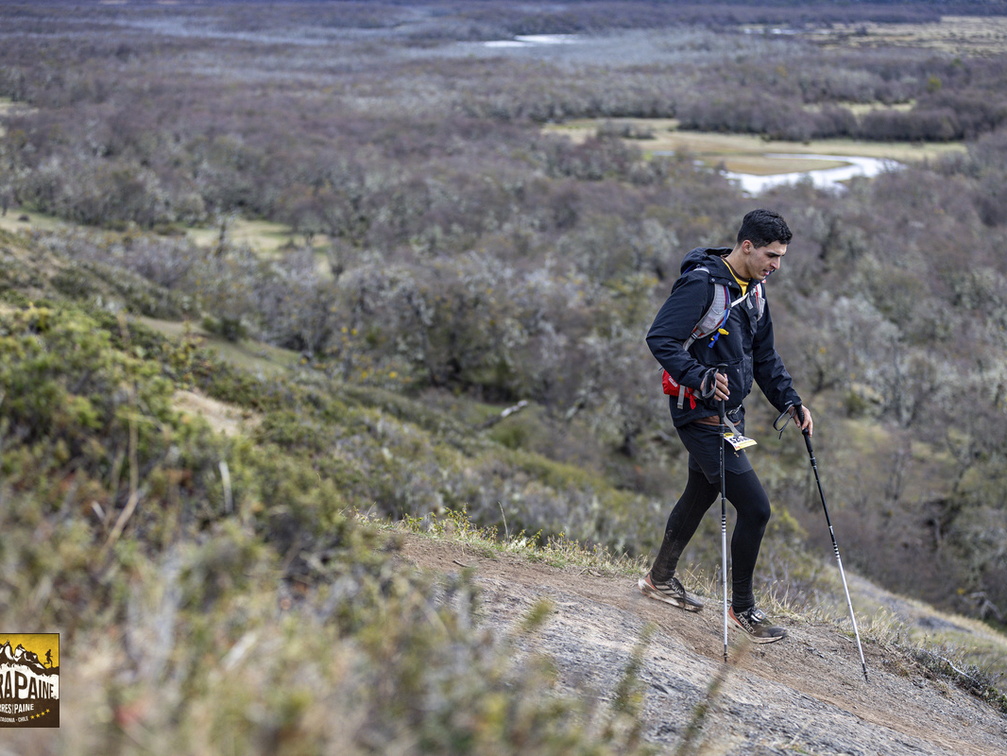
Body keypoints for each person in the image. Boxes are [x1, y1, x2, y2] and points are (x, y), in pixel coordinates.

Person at [641, 208, 813, 643]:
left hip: (730, 414)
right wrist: (699, 377)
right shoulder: (703, 283)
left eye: (782, 257)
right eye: (771, 255)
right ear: (747, 245)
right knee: (756, 508)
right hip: (697, 413)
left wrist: (790, 401)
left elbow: (765, 357)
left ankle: (658, 579)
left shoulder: (755, 290)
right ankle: (742, 610)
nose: (776, 265)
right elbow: (660, 337)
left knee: (700, 492)